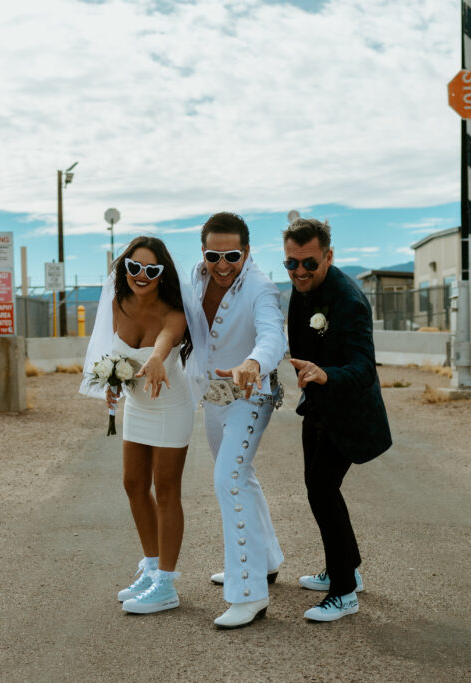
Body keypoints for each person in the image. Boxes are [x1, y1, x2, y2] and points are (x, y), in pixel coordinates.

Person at [80, 236, 206, 615]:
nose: (141, 275)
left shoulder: (173, 312)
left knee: (166, 490)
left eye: (151, 270)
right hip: (136, 406)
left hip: (170, 407)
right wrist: (112, 382)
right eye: (134, 267)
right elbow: (112, 352)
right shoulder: (117, 304)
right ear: (125, 268)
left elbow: (165, 341)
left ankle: (167, 585)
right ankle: (151, 568)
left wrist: (155, 358)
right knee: (134, 484)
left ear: (161, 274)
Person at [283, 217, 392, 622]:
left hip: (350, 412)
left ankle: (344, 592)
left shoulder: (348, 299)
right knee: (318, 488)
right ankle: (348, 566)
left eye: (309, 263)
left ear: (328, 256)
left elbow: (365, 367)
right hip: (318, 407)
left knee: (321, 488)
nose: (299, 272)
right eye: (291, 264)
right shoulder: (299, 292)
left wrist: (327, 375)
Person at [190, 212, 287, 629]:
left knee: (228, 479)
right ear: (203, 252)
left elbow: (272, 336)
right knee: (240, 475)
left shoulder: (262, 287)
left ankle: (249, 592)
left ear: (246, 252)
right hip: (215, 393)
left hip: (250, 392)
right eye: (215, 254)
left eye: (232, 254)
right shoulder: (196, 277)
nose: (223, 264)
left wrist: (254, 362)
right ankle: (264, 561)